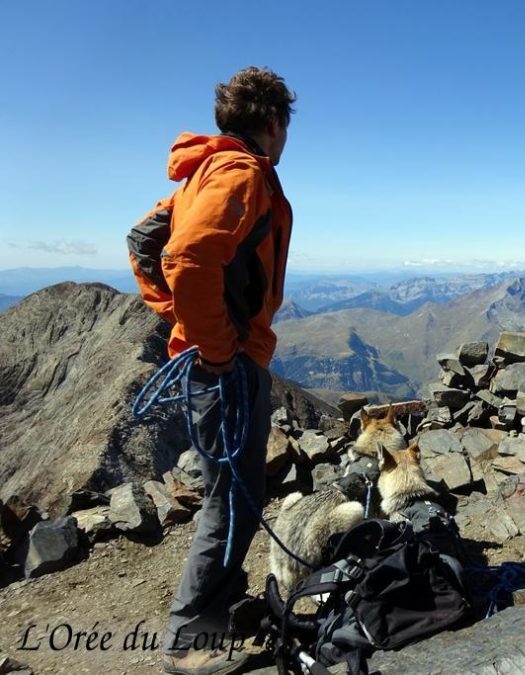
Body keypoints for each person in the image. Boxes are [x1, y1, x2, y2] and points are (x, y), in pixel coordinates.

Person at [151, 66, 295, 675]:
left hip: (219, 358)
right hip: (226, 367)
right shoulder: (240, 171)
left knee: (233, 492)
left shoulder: (201, 170)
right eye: (286, 125)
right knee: (230, 500)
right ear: (273, 123)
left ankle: (216, 611)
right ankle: (189, 644)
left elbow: (144, 240)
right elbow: (184, 257)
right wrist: (214, 348)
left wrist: (181, 322)